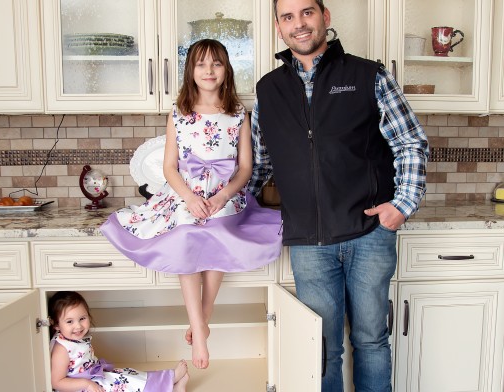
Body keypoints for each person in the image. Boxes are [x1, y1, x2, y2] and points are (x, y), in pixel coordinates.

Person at [248, 0, 429, 391]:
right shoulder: (268, 90)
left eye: (307, 13)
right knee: (322, 348)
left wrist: (402, 205)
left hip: (369, 234)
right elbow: (260, 164)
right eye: (288, 17)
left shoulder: (369, 76)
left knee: (371, 341)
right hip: (309, 243)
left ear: (325, 18)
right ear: (279, 27)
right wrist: (229, 206)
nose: (299, 24)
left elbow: (411, 142)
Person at [101, 39, 282, 370]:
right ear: (191, 71)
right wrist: (188, 197)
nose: (209, 71)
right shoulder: (179, 114)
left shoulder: (239, 114)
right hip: (185, 194)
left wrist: (223, 196)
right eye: (201, 64)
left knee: (219, 225)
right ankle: (199, 328)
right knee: (187, 229)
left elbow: (245, 168)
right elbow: (170, 167)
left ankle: (205, 313)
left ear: (226, 70)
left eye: (216, 64)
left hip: (226, 194)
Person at [48, 291, 189, 392]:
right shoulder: (62, 349)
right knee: (123, 386)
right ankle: (169, 383)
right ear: (56, 325)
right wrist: (87, 384)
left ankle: (169, 383)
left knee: (128, 374)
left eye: (82, 318)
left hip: (94, 376)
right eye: (69, 321)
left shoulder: (73, 339)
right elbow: (57, 382)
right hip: (80, 386)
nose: (78, 326)